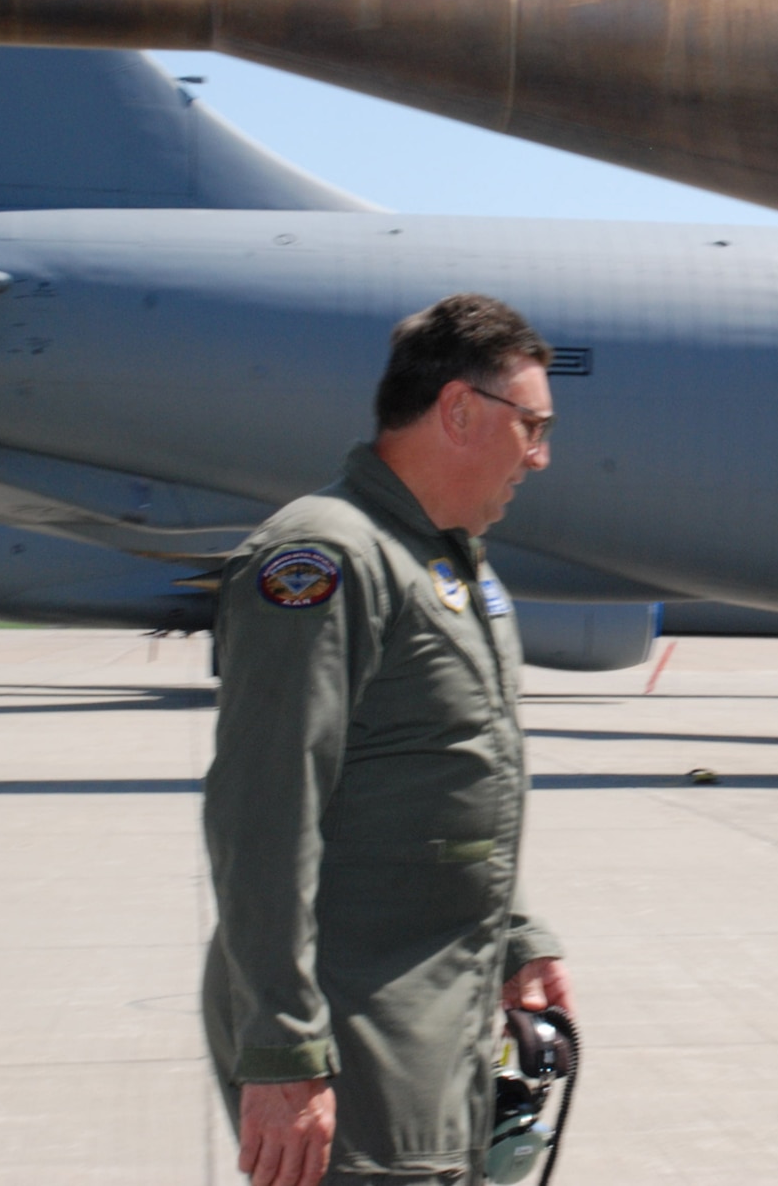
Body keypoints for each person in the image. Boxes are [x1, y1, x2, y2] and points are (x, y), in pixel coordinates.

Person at [202, 294, 574, 1186]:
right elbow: (264, 811)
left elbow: (445, 782)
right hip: (353, 1026)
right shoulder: (327, 558)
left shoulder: (448, 565)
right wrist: (284, 1052)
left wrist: (520, 938)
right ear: (458, 409)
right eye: (532, 425)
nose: (540, 455)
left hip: (435, 1020)